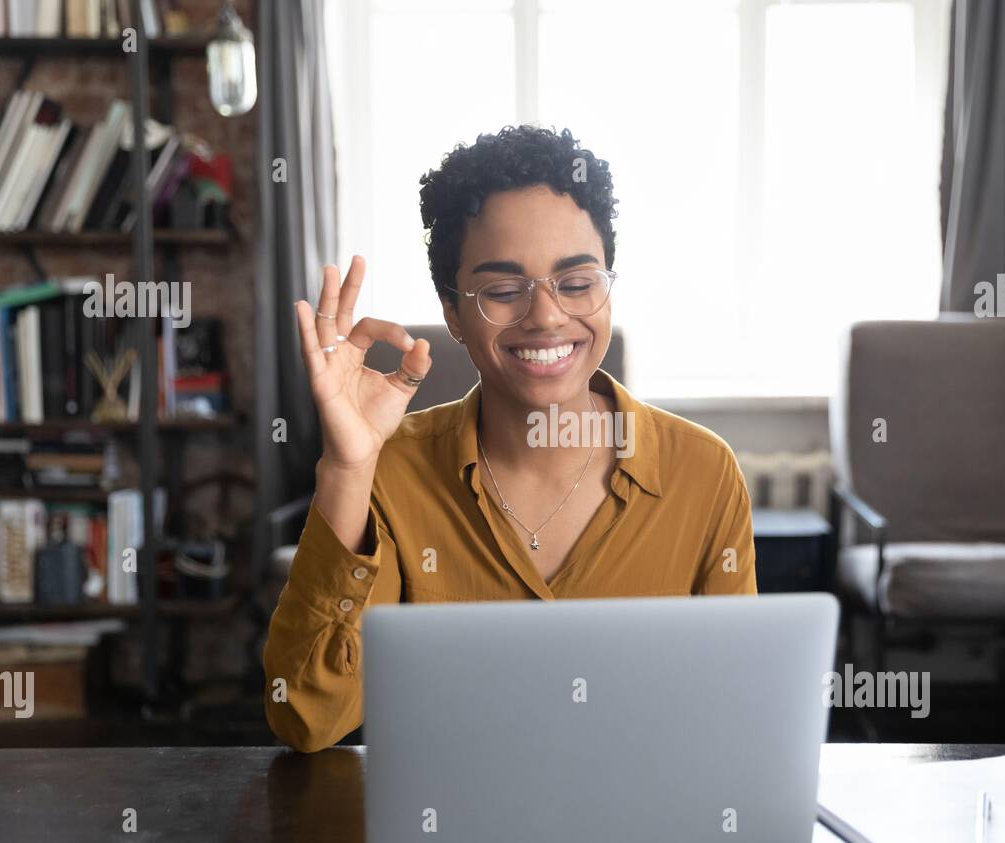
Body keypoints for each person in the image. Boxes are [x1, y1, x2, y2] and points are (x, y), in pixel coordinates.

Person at [265, 126, 757, 753]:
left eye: (577, 282)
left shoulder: (704, 473)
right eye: (502, 291)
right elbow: (307, 718)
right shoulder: (390, 473)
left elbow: (732, 715)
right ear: (452, 313)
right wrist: (346, 468)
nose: (546, 316)